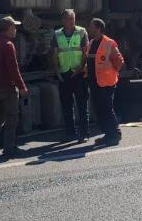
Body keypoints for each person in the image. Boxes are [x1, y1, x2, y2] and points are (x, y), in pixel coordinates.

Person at [0, 16, 29, 158]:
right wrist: (22, 87)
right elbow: (13, 69)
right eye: (14, 27)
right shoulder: (8, 45)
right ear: (8, 28)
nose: (15, 30)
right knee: (12, 117)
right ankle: (9, 147)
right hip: (7, 88)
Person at [52, 9, 89, 142]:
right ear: (63, 20)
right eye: (68, 19)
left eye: (72, 18)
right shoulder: (57, 34)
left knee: (82, 105)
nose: (71, 21)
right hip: (64, 73)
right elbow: (55, 54)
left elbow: (86, 52)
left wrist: (81, 68)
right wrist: (57, 72)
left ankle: (84, 133)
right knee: (67, 106)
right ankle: (70, 133)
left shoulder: (81, 32)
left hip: (78, 73)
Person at [87, 18, 124, 147]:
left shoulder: (109, 43)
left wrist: (112, 73)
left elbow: (119, 61)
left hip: (106, 83)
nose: (89, 29)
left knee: (107, 109)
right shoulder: (91, 43)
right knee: (99, 109)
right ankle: (108, 134)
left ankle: (115, 134)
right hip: (94, 82)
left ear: (98, 28)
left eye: (91, 27)